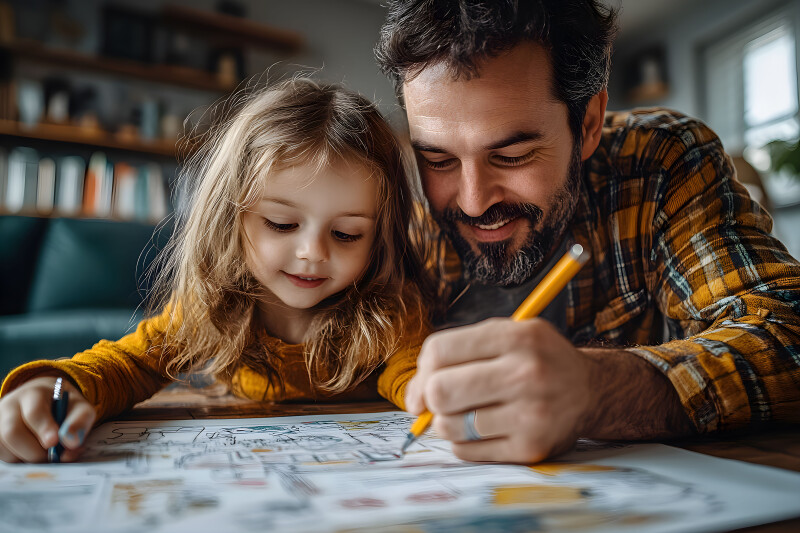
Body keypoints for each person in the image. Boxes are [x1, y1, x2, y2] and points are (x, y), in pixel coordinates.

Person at [375, 0, 800, 463]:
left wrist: (598, 391)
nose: (474, 201)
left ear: (590, 123)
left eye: (513, 156)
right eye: (439, 160)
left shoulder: (657, 164)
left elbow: (786, 330)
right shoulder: (401, 205)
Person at [0, 78, 434, 463]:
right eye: (281, 224)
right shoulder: (211, 305)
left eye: (346, 234)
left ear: (379, 237)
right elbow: (128, 364)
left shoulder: (390, 308)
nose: (312, 252)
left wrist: (432, 395)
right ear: (231, 216)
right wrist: (60, 386)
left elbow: (413, 376)